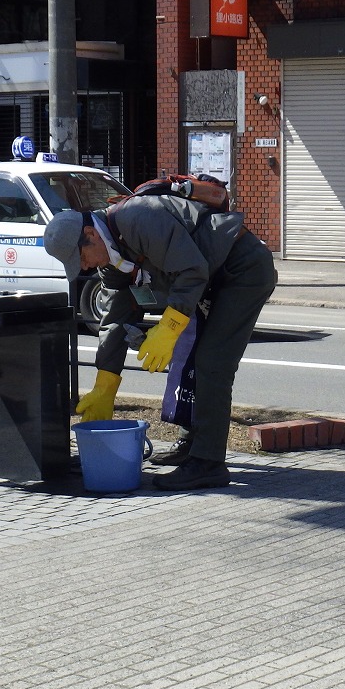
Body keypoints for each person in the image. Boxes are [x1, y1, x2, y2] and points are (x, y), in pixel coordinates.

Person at [44, 174, 277, 491]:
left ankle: (208, 463)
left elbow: (192, 270)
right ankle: (192, 445)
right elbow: (115, 316)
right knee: (191, 358)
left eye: (81, 257)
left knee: (212, 362)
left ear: (90, 234)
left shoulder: (138, 218)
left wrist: (168, 328)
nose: (84, 267)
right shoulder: (109, 259)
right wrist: (105, 383)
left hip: (242, 270)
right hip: (211, 278)